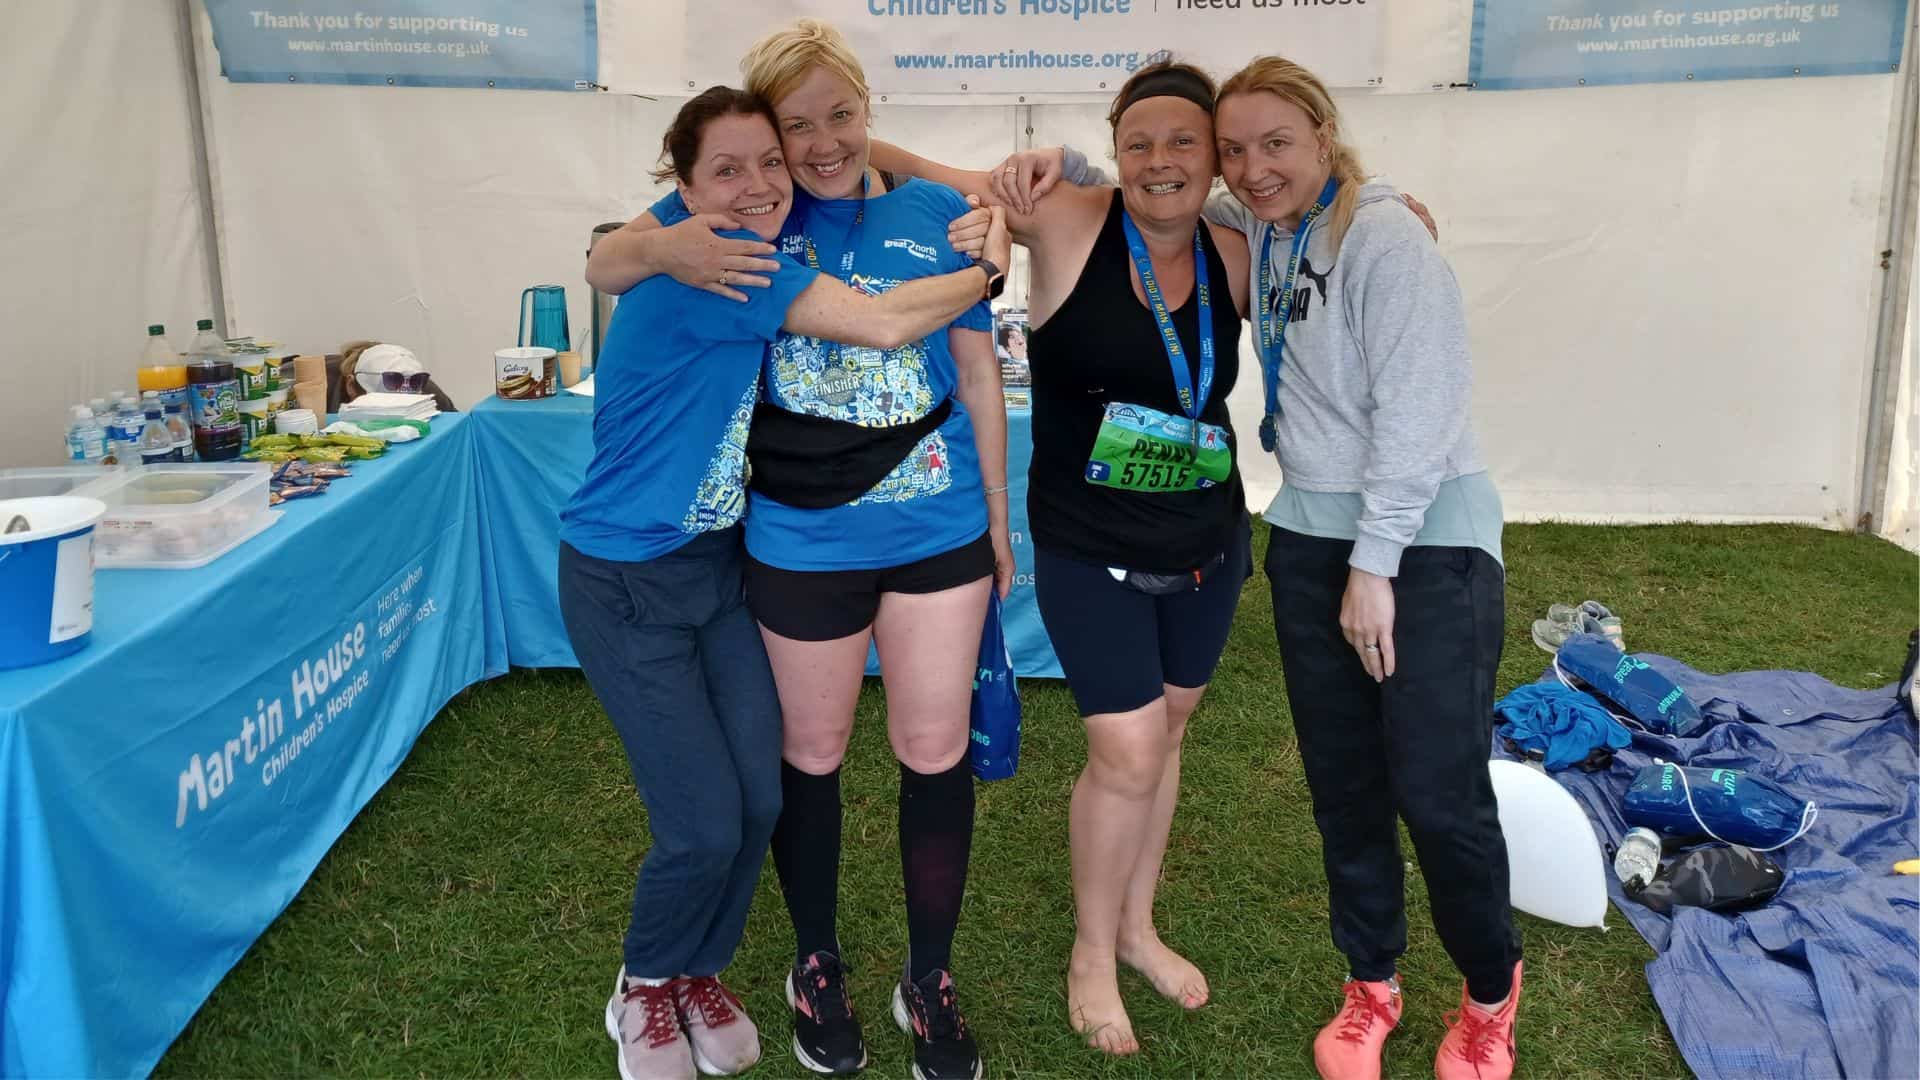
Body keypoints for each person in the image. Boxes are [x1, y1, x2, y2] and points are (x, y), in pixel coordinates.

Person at [991, 57, 1521, 1080]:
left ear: (1326, 135)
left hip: (1414, 541)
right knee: (1340, 782)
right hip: (1296, 533)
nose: (1250, 166)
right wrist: (1039, 171)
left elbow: (1422, 411)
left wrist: (1379, 562)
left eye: (1273, 143)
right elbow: (1140, 183)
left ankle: (1488, 992)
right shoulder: (1260, 229)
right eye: (1237, 148)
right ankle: (1367, 984)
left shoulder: (1372, 235)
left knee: (1435, 784)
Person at [586, 21, 1009, 1080]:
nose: (810, 151)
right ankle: (793, 963)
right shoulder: (734, 237)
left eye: (838, 118)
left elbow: (982, 372)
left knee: (919, 754)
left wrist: (1001, 520)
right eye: (789, 131)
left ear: (869, 110)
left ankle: (928, 975)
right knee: (791, 767)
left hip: (912, 535)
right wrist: (995, 269)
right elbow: (612, 251)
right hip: (771, 545)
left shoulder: (928, 211)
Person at [869, 60, 1253, 1058]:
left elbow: (1326, 209)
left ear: (1214, 155)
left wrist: (1391, 201)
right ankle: (1092, 947)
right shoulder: (1070, 214)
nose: (1161, 162)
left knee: (1165, 735)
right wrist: (831, 140)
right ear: (1115, 148)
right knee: (1123, 749)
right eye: (1140, 142)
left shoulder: (1237, 244)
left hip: (1208, 533)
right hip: (1091, 542)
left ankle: (1136, 926)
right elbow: (912, 167)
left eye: (1183, 143)